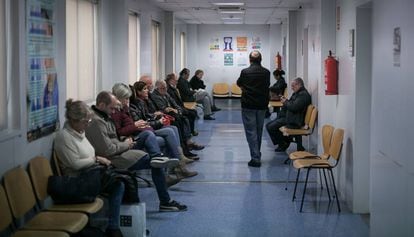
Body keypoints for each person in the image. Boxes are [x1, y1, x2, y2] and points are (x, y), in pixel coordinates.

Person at [85, 91, 187, 212]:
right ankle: (165, 201)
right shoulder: (97, 122)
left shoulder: (104, 117)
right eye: (111, 108)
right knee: (155, 163)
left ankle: (157, 157)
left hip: (120, 148)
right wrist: (126, 144)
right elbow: (107, 150)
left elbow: (114, 138)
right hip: (113, 158)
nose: (113, 112)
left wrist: (125, 141)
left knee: (147, 135)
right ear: (101, 105)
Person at [54, 99, 125, 237]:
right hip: (77, 181)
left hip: (89, 173)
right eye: (85, 122)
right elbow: (74, 164)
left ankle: (112, 226)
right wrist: (96, 159)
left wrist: (96, 160)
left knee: (120, 179)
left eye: (88, 121)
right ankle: (113, 228)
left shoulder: (80, 133)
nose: (87, 125)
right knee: (118, 183)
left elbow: (88, 155)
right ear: (74, 120)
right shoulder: (64, 137)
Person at [111, 83, 197, 179]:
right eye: (125, 98)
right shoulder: (122, 110)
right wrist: (139, 125)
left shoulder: (131, 106)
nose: (148, 90)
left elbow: (144, 117)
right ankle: (177, 164)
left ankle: (176, 163)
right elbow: (121, 131)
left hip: (142, 131)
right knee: (167, 134)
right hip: (137, 135)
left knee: (173, 128)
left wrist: (153, 118)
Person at [237, 50, 270, 168]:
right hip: (261, 106)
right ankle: (257, 154)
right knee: (259, 131)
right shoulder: (266, 72)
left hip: (248, 105)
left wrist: (246, 89)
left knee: (251, 132)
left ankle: (255, 158)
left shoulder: (245, 72)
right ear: (260, 60)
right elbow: (266, 87)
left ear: (250, 60)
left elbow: (239, 83)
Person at [265, 77, 311, 152]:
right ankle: (285, 141)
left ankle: (284, 143)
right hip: (292, 117)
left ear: (299, 85)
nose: (292, 88)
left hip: (294, 120)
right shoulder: (298, 93)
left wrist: (285, 102)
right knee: (269, 125)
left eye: (293, 86)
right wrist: (286, 101)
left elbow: (294, 107)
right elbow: (292, 104)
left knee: (270, 127)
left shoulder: (303, 95)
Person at [166, 73, 199, 137]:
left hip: (180, 107)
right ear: (171, 80)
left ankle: (191, 131)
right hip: (177, 108)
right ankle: (189, 133)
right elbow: (173, 103)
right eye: (176, 80)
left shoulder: (174, 89)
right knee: (190, 114)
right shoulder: (169, 90)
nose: (177, 82)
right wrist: (180, 109)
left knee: (193, 112)